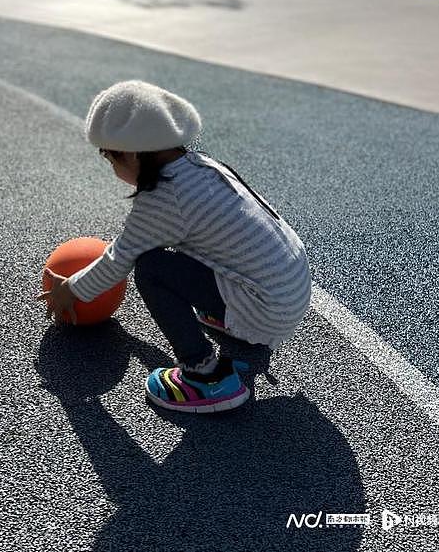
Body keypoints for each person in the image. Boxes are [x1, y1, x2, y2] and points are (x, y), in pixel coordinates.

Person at [37, 80, 312, 414]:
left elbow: (119, 259)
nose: (113, 169)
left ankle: (207, 375)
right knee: (179, 251)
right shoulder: (202, 166)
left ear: (132, 152)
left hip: (269, 309)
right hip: (290, 293)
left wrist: (72, 290)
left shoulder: (164, 198)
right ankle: (233, 319)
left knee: (152, 267)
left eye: (111, 159)